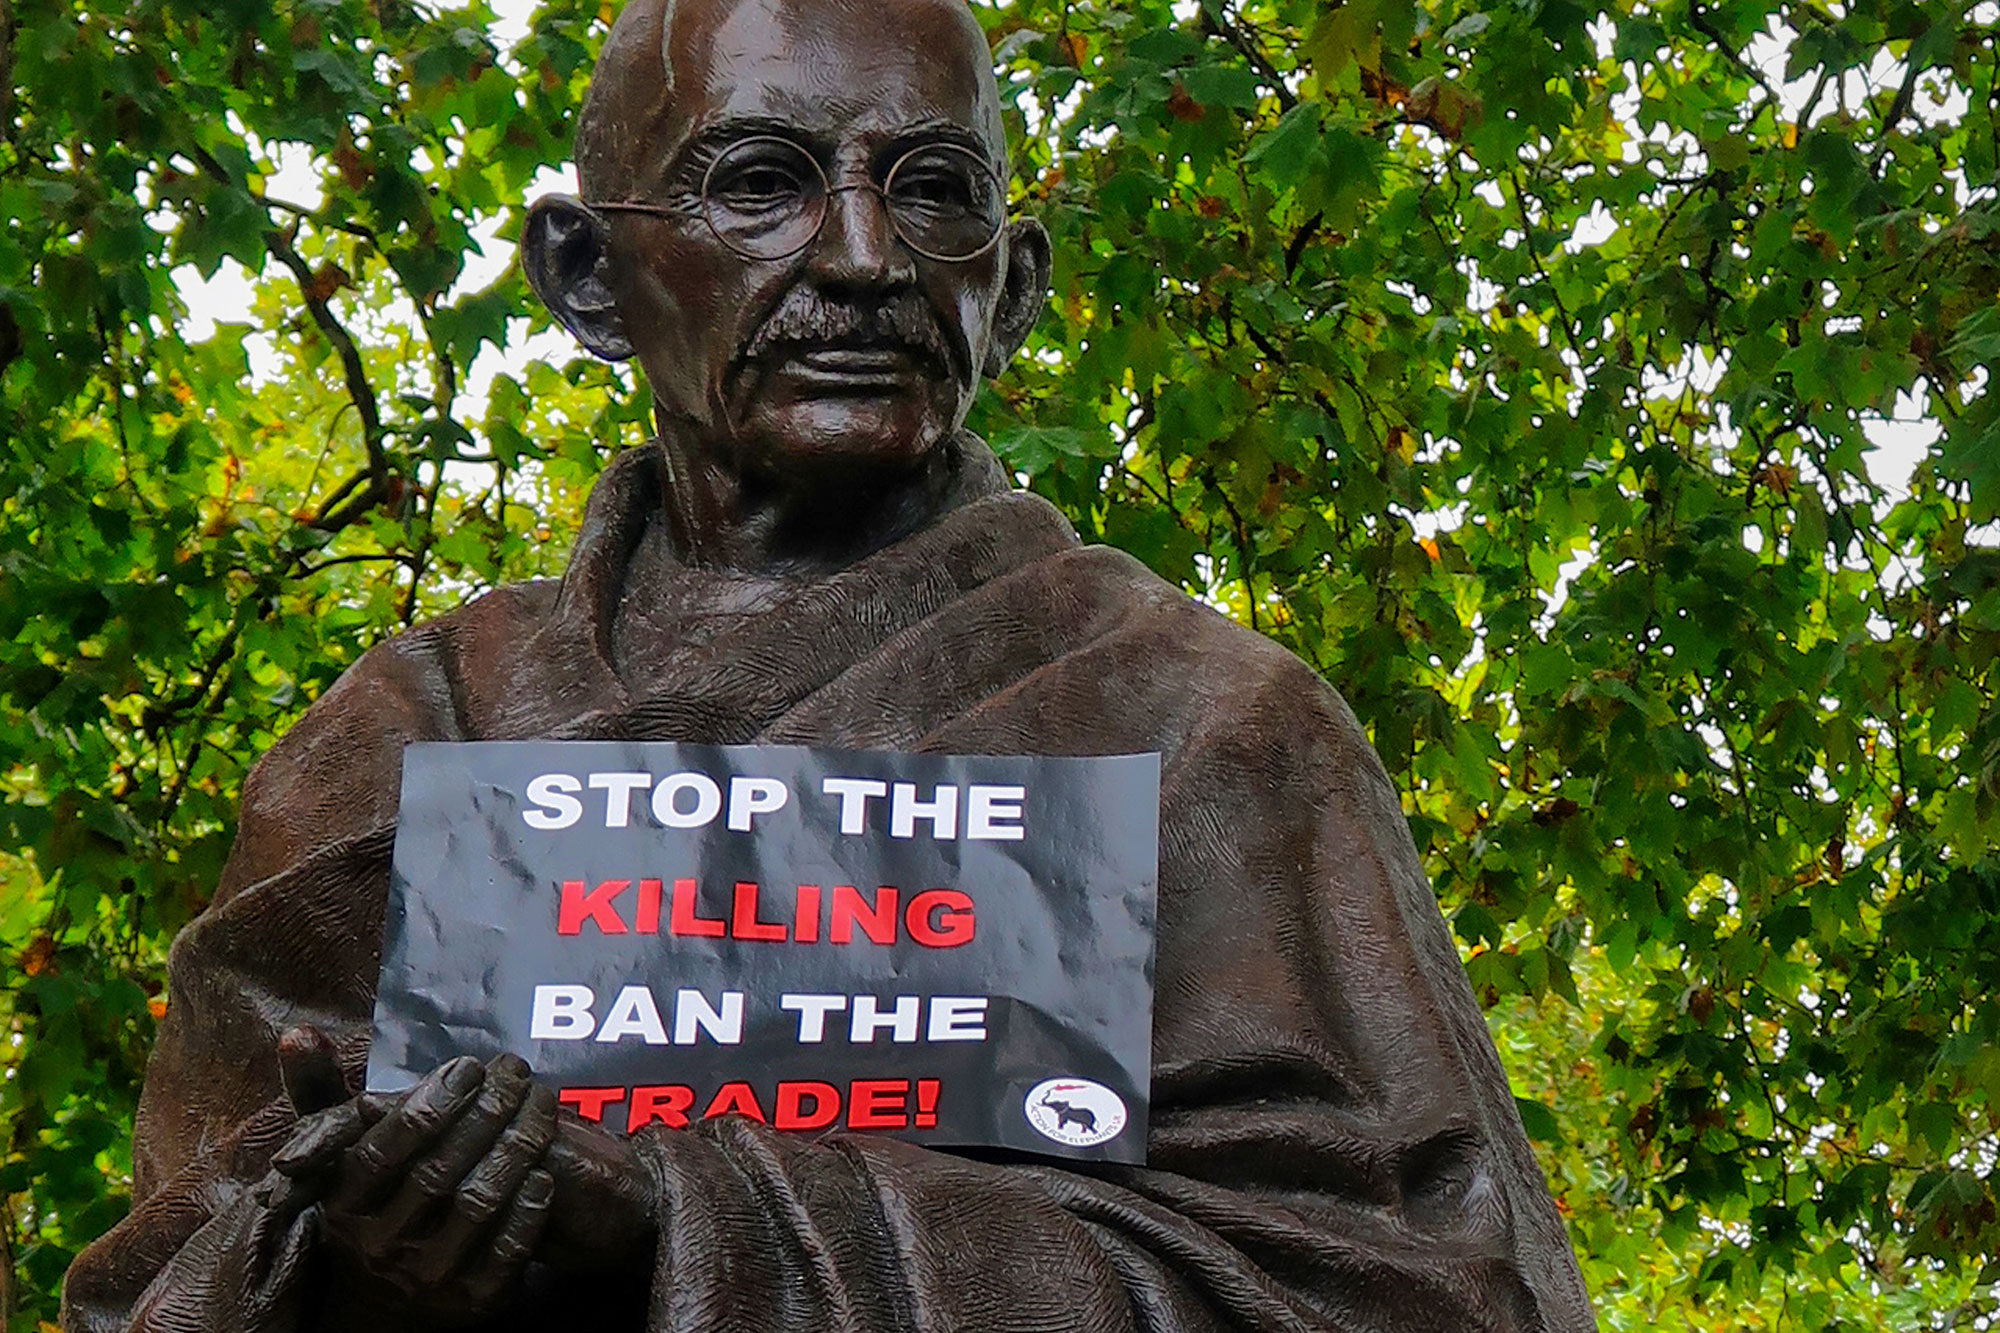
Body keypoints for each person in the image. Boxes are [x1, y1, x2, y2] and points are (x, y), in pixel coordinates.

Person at [61, 0, 1598, 1327]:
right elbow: (166, 1289)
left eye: (935, 192)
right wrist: (385, 1269)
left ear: (1019, 284)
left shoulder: (1207, 726)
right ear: (588, 277)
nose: (864, 256)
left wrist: (685, 1225)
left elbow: (1437, 1288)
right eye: (761, 184)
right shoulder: (405, 737)